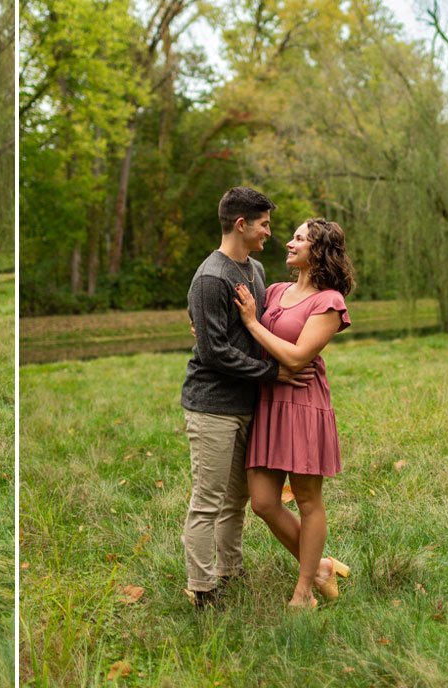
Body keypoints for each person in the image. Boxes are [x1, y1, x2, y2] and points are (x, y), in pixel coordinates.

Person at [181, 187, 314, 609]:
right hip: (212, 406)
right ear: (242, 224)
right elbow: (213, 352)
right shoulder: (210, 277)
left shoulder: (254, 269)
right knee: (208, 500)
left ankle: (230, 572)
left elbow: (265, 324)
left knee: (236, 499)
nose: (269, 233)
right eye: (264, 224)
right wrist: (274, 372)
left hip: (249, 406)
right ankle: (202, 590)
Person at [233, 217, 355, 609]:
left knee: (307, 500)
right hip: (268, 401)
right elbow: (244, 336)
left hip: (303, 404)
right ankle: (320, 566)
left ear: (317, 251)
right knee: (264, 503)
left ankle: (303, 591)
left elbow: (299, 356)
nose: (289, 243)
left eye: (299, 239)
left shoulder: (329, 302)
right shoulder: (275, 290)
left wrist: (252, 322)